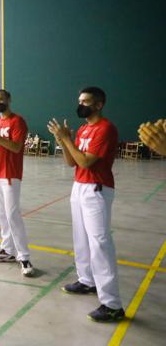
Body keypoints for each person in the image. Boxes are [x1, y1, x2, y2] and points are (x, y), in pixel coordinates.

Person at [47, 87, 125, 322]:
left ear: (99, 105)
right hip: (79, 186)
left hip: (97, 189)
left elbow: (86, 161)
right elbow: (72, 162)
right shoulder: (82, 129)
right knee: (80, 238)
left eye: (86, 101)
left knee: (100, 244)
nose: (80, 105)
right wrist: (62, 141)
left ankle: (112, 304)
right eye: (79, 100)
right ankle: (86, 280)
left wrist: (67, 139)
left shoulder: (106, 128)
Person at [0, 89, 34, 277]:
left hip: (11, 174)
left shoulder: (17, 121)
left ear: (9, 100)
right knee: (2, 215)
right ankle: (7, 250)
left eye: (1, 99)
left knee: (13, 215)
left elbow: (16, 147)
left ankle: (24, 256)